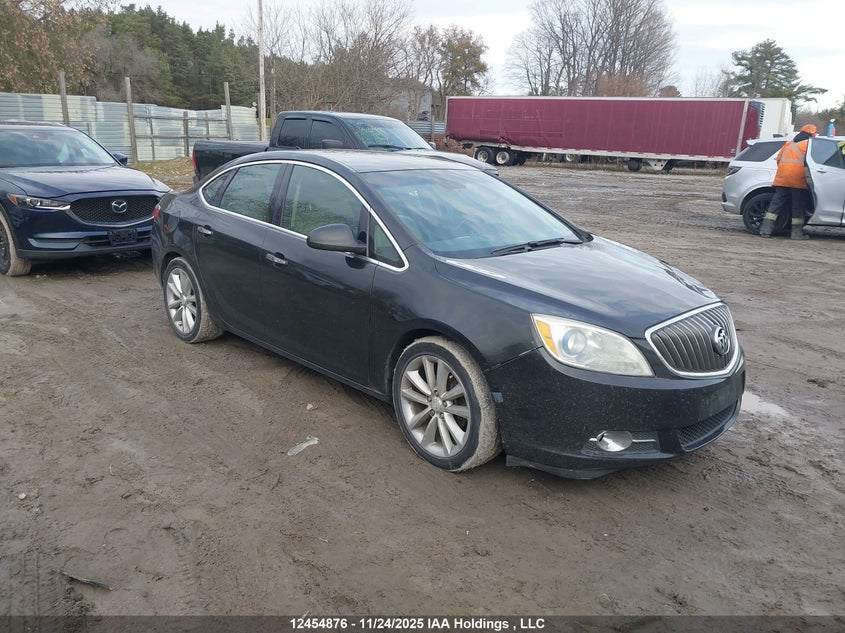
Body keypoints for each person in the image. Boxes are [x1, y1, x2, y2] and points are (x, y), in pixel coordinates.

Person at [759, 123, 817, 240]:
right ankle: (796, 234)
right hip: (797, 179)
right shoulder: (809, 144)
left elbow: (779, 160)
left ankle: (765, 231)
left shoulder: (788, 144)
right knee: (797, 207)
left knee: (775, 206)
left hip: (782, 179)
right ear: (811, 134)